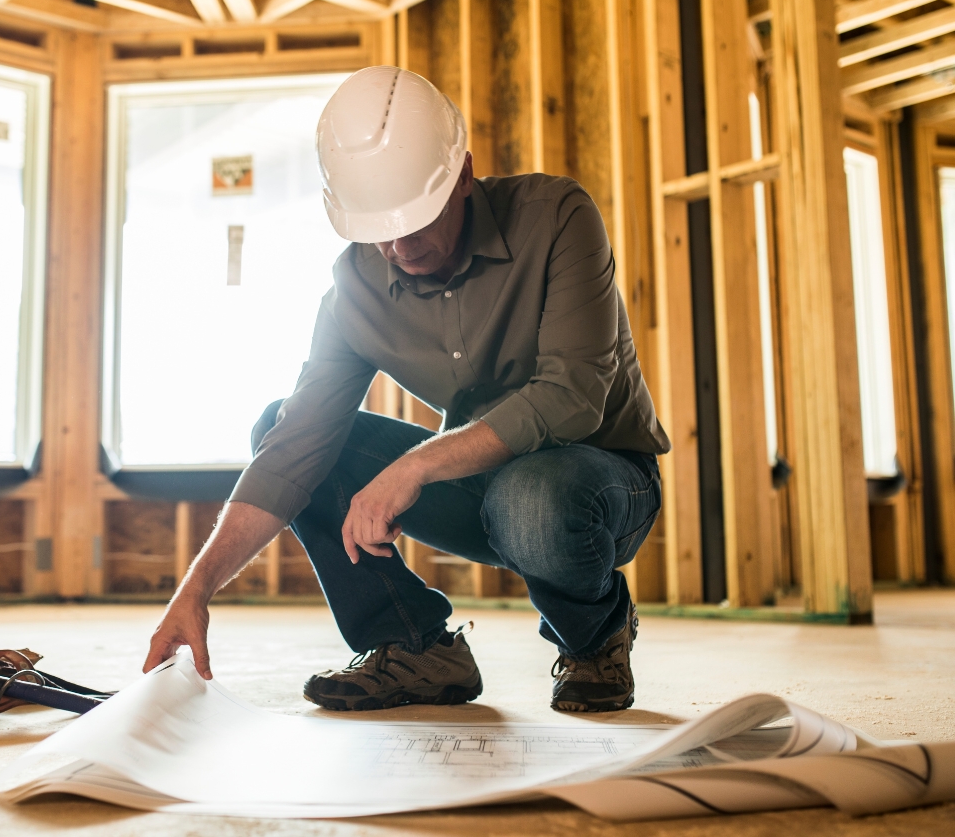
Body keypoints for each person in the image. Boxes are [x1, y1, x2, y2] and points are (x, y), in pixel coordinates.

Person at [144, 66, 670, 713]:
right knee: (278, 424)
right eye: (376, 230)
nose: (397, 246)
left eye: (416, 221)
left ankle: (597, 639)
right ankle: (414, 646)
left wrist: (416, 465)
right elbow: (291, 453)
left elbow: (575, 394)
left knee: (531, 496)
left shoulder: (557, 218)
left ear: (465, 176)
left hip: (602, 483)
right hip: (484, 485)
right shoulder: (354, 290)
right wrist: (195, 589)